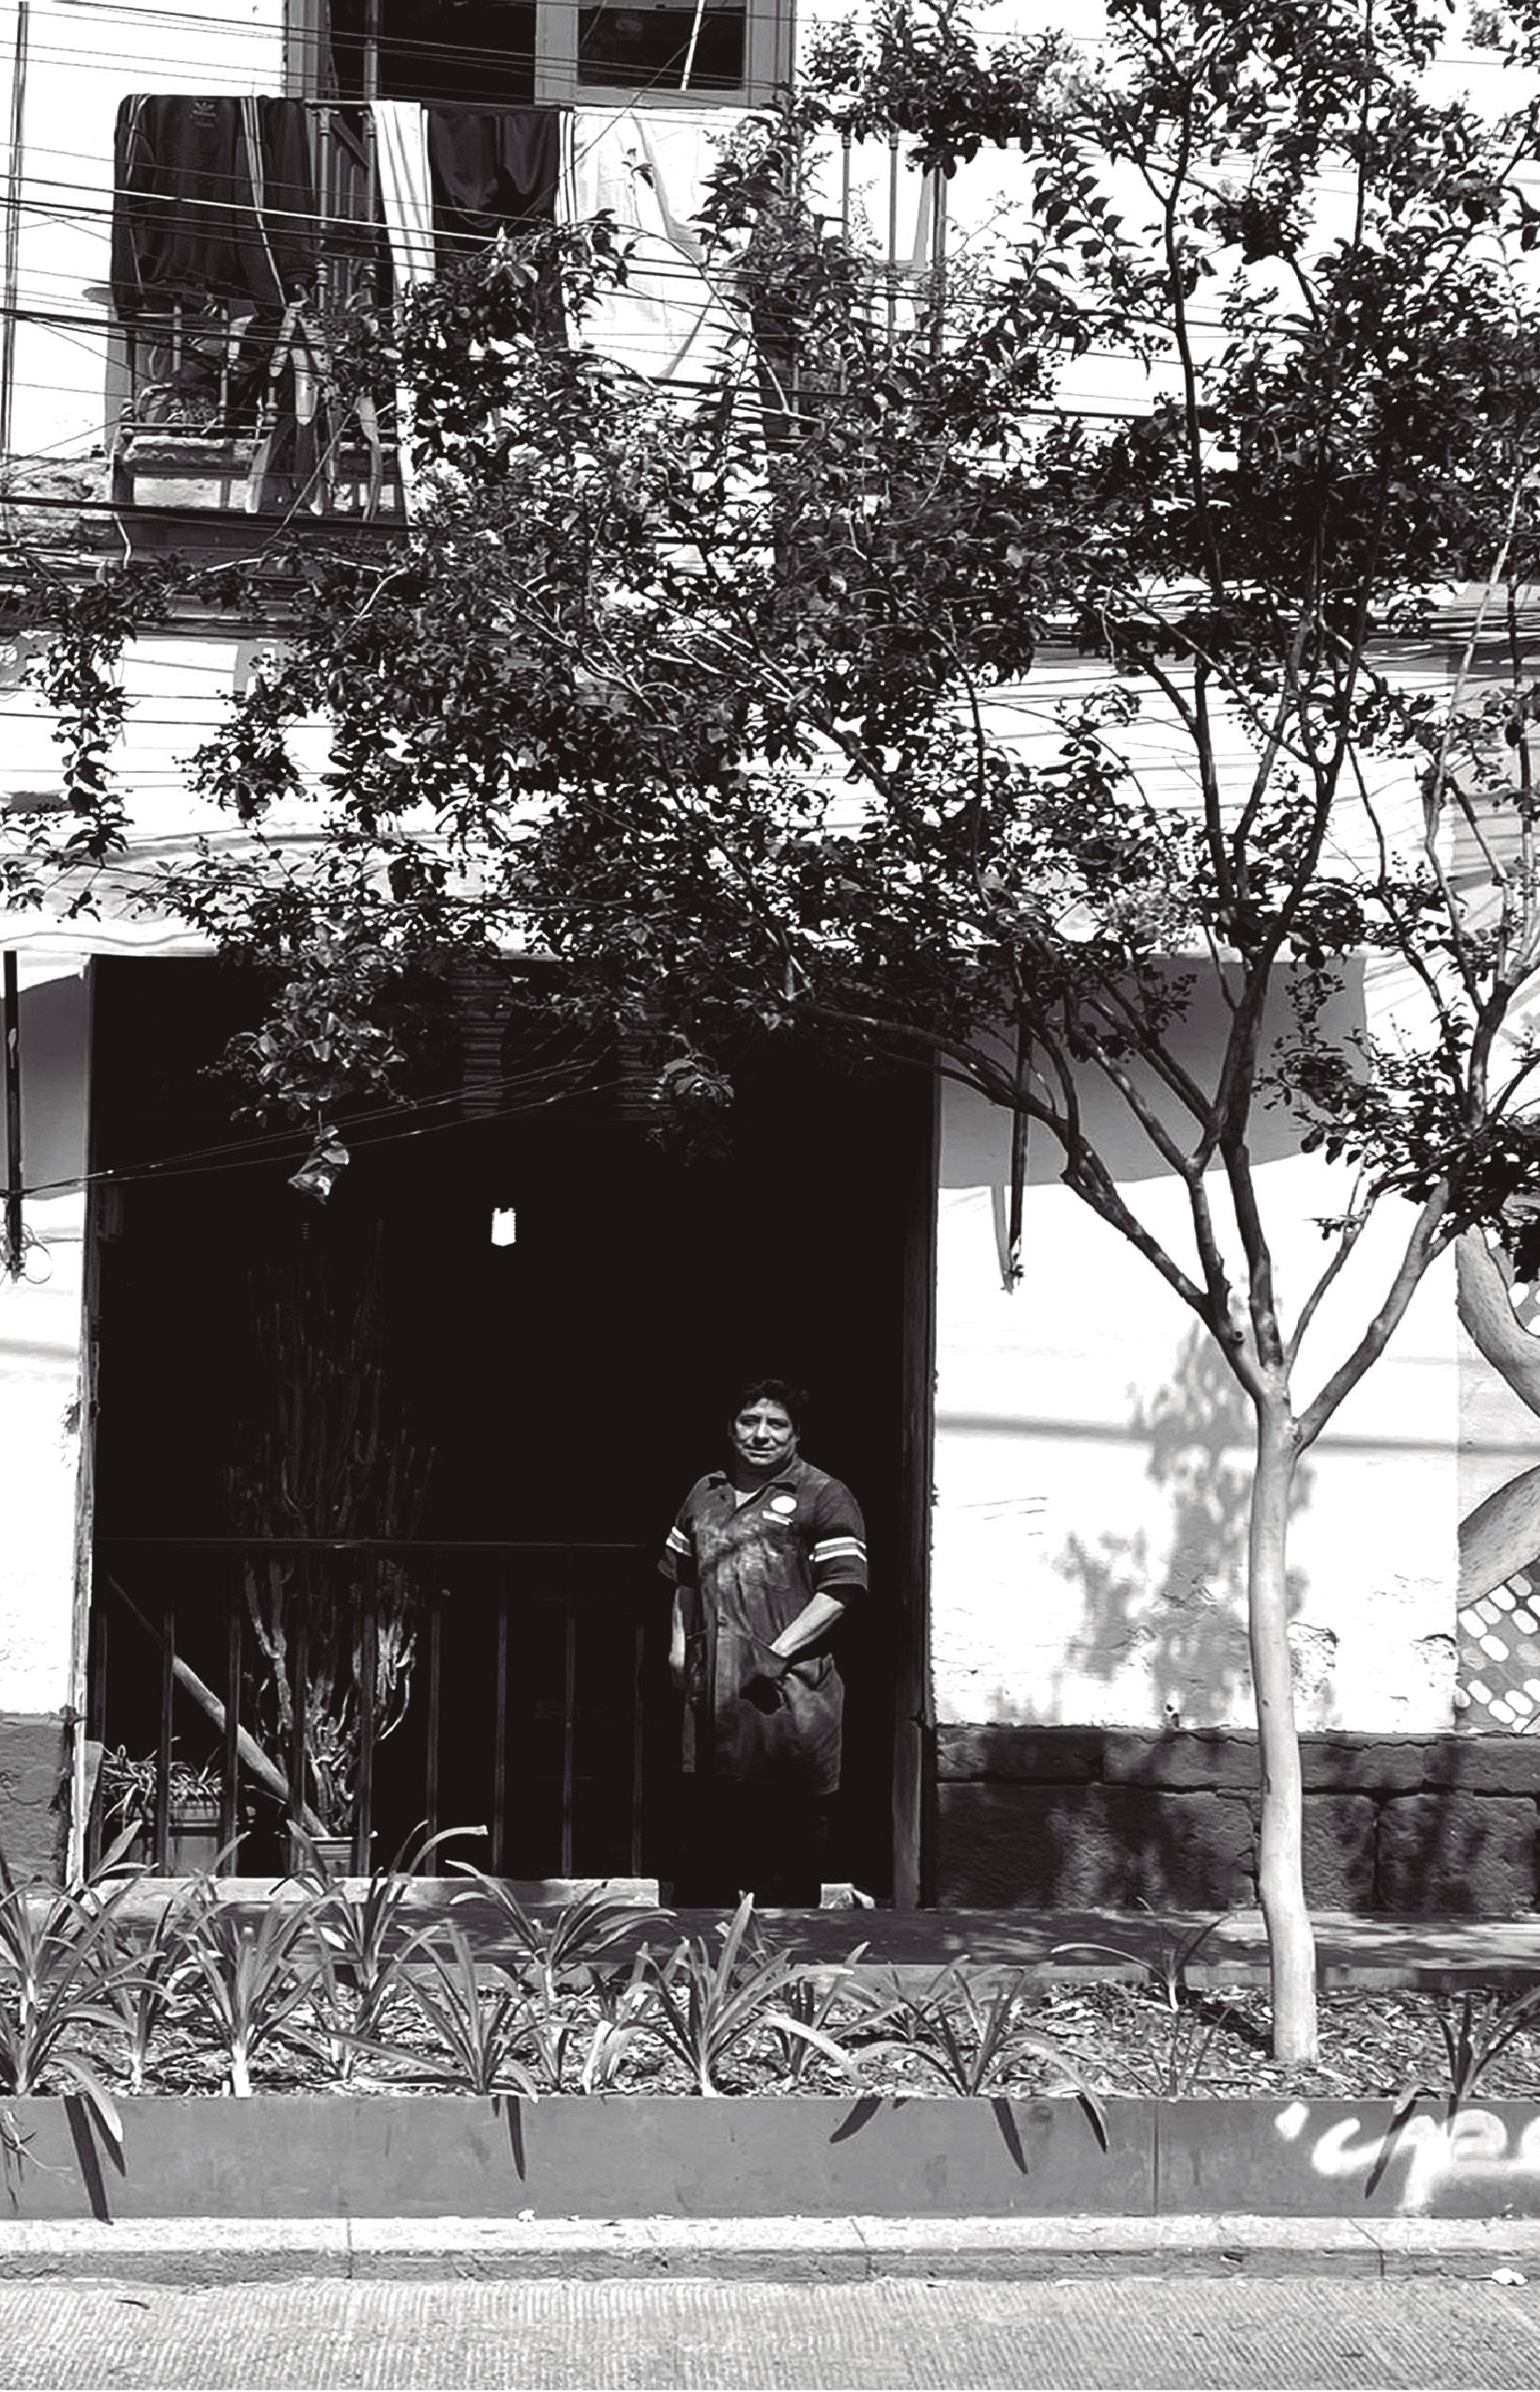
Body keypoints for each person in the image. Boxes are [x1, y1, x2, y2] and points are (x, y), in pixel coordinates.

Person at [658, 1377, 868, 1908]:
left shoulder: (824, 1495)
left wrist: (777, 1653)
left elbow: (841, 1590)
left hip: (789, 1699)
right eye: (749, 1421)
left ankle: (786, 1951)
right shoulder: (704, 1493)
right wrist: (679, 1649)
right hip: (713, 1698)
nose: (761, 1434)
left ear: (796, 1434)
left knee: (786, 1855)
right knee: (708, 1853)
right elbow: (683, 1578)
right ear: (730, 1429)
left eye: (776, 1424)